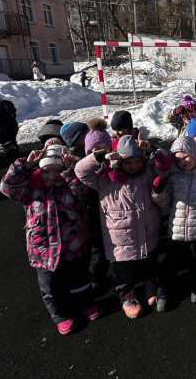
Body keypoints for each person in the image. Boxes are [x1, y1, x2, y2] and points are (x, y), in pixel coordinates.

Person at [0, 144, 102, 335]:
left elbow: (84, 194)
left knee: (80, 278)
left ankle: (86, 304)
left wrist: (70, 172)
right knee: (51, 285)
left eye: (58, 170)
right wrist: (24, 165)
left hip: (74, 245)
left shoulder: (70, 186)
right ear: (39, 170)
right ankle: (61, 315)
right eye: (46, 171)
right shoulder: (30, 190)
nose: (52, 176)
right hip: (43, 248)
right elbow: (8, 188)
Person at [75, 135, 173, 319]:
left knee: (148, 261)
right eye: (129, 163)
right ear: (120, 161)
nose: (134, 166)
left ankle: (148, 282)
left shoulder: (148, 172)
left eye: (138, 161)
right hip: (120, 238)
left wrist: (151, 148)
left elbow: (166, 166)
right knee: (123, 270)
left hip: (147, 232)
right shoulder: (106, 180)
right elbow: (80, 171)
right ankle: (126, 295)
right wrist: (99, 157)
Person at [153, 136, 196, 311]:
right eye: (177, 160)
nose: (182, 162)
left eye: (185, 157)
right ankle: (163, 294)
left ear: (195, 153)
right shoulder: (175, 178)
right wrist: (157, 192)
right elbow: (165, 202)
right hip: (177, 231)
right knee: (170, 265)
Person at [82, 118, 113, 293]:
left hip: (113, 214)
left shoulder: (115, 166)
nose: (101, 151)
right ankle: (97, 279)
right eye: (95, 149)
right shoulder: (86, 169)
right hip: (93, 215)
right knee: (98, 252)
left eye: (105, 147)